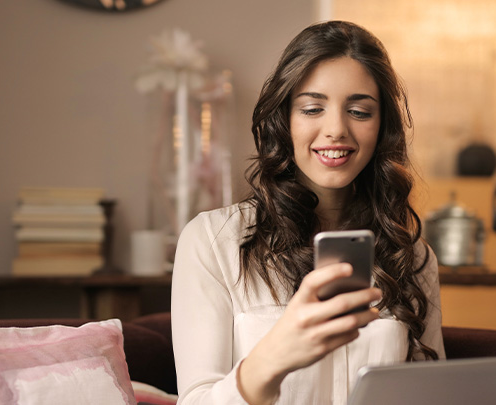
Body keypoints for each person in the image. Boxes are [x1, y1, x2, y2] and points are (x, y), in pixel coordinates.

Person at [171, 20, 445, 405]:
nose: (336, 129)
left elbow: (429, 394)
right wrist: (274, 355)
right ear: (284, 119)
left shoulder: (411, 256)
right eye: (313, 108)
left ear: (382, 127)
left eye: (360, 112)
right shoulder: (213, 242)